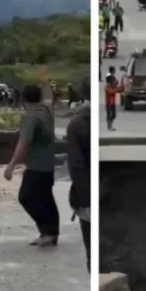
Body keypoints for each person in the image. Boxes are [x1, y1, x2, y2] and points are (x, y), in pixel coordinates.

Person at [4, 85, 59, 247]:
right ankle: (51, 233)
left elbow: (24, 143)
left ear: (22, 99)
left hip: (36, 165)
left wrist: (11, 165)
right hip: (48, 164)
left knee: (26, 197)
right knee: (46, 198)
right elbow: (49, 97)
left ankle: (47, 231)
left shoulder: (32, 118)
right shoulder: (47, 111)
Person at [65, 103, 91, 271]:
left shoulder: (78, 124)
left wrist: (84, 200)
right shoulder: (83, 122)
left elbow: (76, 165)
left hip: (87, 194)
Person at [104, 67, 119, 131]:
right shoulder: (107, 87)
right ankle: (109, 127)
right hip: (109, 101)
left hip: (112, 101)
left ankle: (110, 126)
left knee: (113, 114)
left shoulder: (111, 86)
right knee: (110, 114)